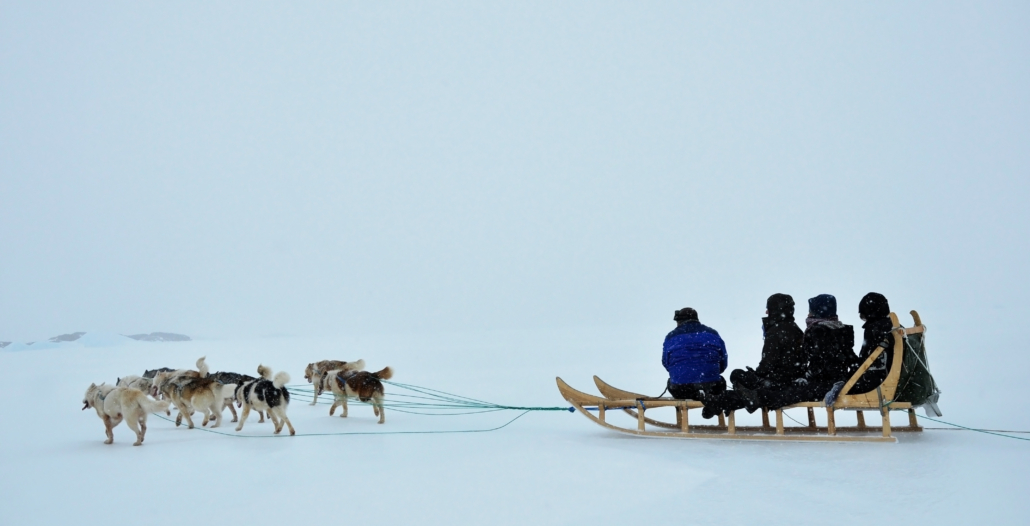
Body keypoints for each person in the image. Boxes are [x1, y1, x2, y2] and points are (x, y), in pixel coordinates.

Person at [702, 294, 856, 416]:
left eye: (768, 308)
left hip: (789, 380)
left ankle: (722, 401)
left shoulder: (812, 331)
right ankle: (723, 401)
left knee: (747, 382)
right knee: (757, 392)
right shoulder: (801, 329)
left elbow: (770, 363)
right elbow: (843, 359)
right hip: (797, 377)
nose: (766, 312)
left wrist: (760, 375)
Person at [728, 293, 805, 392]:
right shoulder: (796, 329)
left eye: (769, 309)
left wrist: (757, 374)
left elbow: (768, 363)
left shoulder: (775, 332)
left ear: (775, 310)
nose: (766, 312)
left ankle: (750, 397)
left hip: (777, 383)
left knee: (736, 374)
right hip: (795, 380)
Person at [662, 307, 728, 402]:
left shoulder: (671, 336)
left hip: (680, 388)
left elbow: (666, 363)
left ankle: (682, 414)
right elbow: (723, 362)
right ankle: (715, 407)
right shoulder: (712, 333)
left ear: (679, 321)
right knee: (720, 383)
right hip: (712, 387)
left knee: (672, 382)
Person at [845, 292, 895, 395]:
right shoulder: (895, 327)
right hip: (895, 381)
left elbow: (866, 359)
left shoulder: (873, 329)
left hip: (876, 384)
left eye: (863, 315)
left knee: (838, 386)